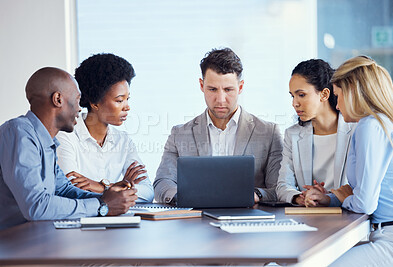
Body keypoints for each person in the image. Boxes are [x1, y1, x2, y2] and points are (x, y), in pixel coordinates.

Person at [0, 67, 138, 230]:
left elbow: (63, 190)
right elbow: (37, 207)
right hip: (13, 246)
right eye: (78, 99)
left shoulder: (47, 142)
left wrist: (110, 197)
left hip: (36, 239)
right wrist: (103, 205)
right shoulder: (19, 132)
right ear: (58, 99)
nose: (80, 108)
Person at [153, 47, 283, 204]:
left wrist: (256, 195)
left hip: (247, 220)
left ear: (240, 87)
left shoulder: (269, 133)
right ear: (202, 85)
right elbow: (162, 182)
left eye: (228, 89)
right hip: (196, 221)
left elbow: (279, 189)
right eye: (212, 89)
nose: (221, 99)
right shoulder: (179, 134)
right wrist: (184, 197)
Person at [304, 56, 393, 266]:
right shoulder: (378, 123)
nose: (337, 105)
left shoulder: (370, 126)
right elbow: (362, 191)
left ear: (353, 92)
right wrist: (331, 198)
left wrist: (347, 197)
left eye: (338, 96)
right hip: (385, 234)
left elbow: (364, 202)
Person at [56, 53, 154, 203]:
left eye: (127, 99)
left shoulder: (123, 141)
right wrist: (120, 189)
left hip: (116, 220)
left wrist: (103, 187)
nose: (127, 107)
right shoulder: (66, 136)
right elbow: (70, 190)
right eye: (119, 100)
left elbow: (147, 193)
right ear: (95, 103)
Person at [276, 59, 356, 205]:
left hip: (348, 215)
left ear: (324, 94)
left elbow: (360, 188)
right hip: (309, 215)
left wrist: (328, 197)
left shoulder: (355, 130)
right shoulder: (292, 135)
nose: (294, 103)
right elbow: (283, 185)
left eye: (301, 95)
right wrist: (301, 197)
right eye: (292, 96)